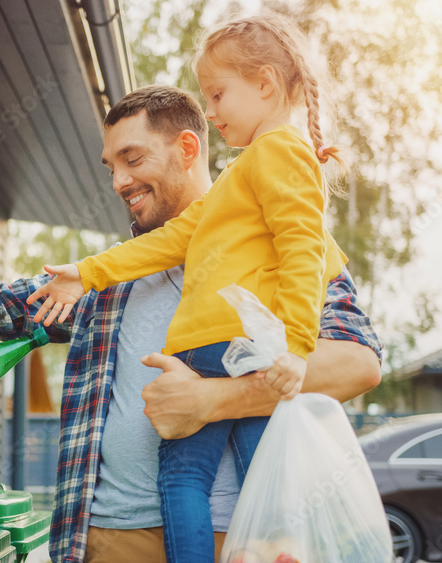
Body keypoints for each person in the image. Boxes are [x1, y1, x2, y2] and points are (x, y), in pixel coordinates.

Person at [0, 86, 382, 563]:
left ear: (188, 148)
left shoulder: (283, 243)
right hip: (105, 540)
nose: (118, 182)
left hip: (235, 541)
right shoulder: (102, 280)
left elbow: (357, 364)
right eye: (110, 166)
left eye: (133, 160)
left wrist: (212, 400)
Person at [26, 14, 347, 563]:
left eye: (219, 95)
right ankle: (275, 546)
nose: (213, 110)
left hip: (230, 348)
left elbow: (304, 251)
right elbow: (170, 241)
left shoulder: (278, 152)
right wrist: (88, 273)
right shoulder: (240, 179)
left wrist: (296, 345)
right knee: (256, 470)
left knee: (187, 477)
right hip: (223, 350)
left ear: (266, 85)